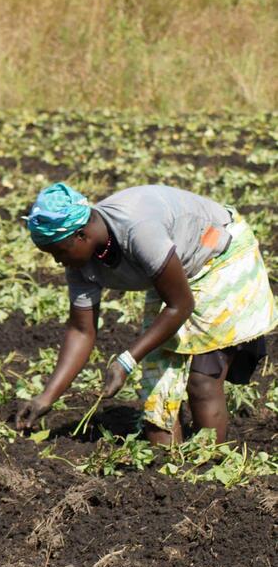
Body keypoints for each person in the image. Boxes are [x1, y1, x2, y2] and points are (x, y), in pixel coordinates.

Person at [15, 183, 276, 445]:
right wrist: (46, 397)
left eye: (59, 252)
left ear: (81, 235)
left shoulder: (138, 230)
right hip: (173, 272)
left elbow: (181, 305)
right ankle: (168, 470)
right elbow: (81, 330)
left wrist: (127, 361)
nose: (58, 262)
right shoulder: (80, 265)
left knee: (202, 379)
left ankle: (213, 465)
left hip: (217, 256)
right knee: (157, 387)